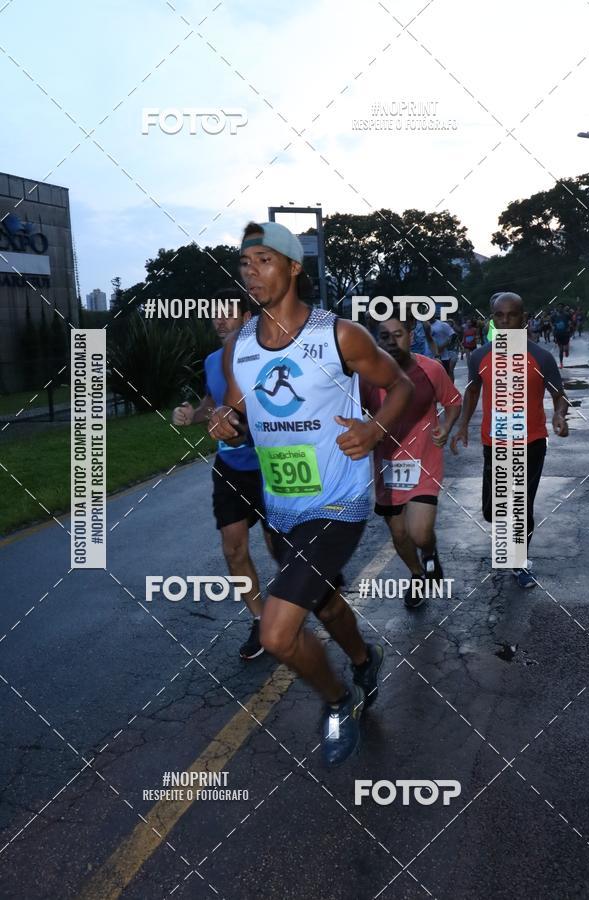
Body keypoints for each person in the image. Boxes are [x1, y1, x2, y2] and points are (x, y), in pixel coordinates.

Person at [209, 221, 414, 767]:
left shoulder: (339, 335)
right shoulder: (238, 347)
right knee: (323, 603)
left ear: (294, 267)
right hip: (281, 506)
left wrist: (375, 430)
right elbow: (239, 415)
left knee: (277, 633)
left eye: (264, 260)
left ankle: (339, 700)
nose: (252, 272)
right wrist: (224, 421)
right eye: (245, 263)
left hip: (339, 502)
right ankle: (364, 660)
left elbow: (401, 385)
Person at [172, 289, 271, 660]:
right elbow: (212, 402)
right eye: (214, 314)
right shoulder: (213, 360)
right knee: (233, 548)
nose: (219, 320)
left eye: (227, 313)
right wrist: (192, 415)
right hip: (229, 467)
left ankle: (295, 608)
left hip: (271, 466)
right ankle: (261, 621)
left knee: (280, 547)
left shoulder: (267, 356)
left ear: (247, 318)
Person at [451, 292, 569, 588]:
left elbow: (559, 395)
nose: (505, 321)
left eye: (511, 315)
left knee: (520, 504)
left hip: (531, 443)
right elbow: (472, 391)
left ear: (523, 318)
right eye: (499, 315)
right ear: (492, 319)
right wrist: (462, 425)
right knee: (493, 510)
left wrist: (559, 415)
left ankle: (519, 561)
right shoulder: (480, 356)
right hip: (494, 444)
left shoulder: (540, 357)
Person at [361, 312, 462, 607]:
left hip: (424, 461)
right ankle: (417, 574)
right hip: (387, 466)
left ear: (411, 334)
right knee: (399, 533)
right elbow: (354, 412)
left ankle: (430, 552)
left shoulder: (431, 369)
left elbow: (453, 402)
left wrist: (446, 426)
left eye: (398, 334)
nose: (392, 342)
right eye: (384, 336)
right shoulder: (366, 378)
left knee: (419, 533)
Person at [552, 303, 572, 368]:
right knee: (561, 350)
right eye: (559, 307)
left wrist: (569, 328)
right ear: (557, 308)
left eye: (561, 307)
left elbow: (570, 322)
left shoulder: (567, 315)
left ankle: (566, 351)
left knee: (565, 349)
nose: (560, 308)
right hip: (558, 334)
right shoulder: (554, 315)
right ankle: (561, 363)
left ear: (563, 308)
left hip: (565, 333)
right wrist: (553, 331)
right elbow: (552, 323)